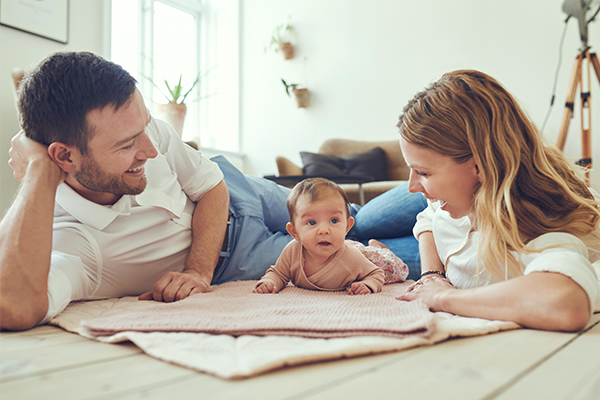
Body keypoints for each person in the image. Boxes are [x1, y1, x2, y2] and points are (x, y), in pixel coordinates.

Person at [0, 51, 427, 331]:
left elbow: (211, 186)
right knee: (369, 253)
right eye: (127, 145)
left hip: (237, 191)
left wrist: (196, 272)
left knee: (357, 217)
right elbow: (12, 305)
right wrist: (38, 168)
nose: (150, 149)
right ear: (64, 157)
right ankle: (475, 236)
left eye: (145, 127)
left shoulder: (146, 133)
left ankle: (476, 184)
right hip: (237, 255)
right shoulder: (70, 242)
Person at [394, 70, 600, 332]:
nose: (411, 186)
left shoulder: (534, 227)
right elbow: (427, 216)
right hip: (440, 241)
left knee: (348, 242)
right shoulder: (453, 194)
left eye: (423, 172)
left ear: (480, 166)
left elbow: (566, 302)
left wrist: (440, 296)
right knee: (357, 224)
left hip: (461, 241)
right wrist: (431, 275)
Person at [254, 178, 407, 295]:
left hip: (367, 257)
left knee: (395, 268)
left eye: (334, 221)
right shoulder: (292, 251)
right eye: (312, 222)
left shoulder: (351, 258)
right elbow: (279, 273)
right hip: (351, 248)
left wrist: (367, 285)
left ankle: (380, 249)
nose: (324, 230)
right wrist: (269, 282)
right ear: (294, 232)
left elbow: (376, 273)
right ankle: (375, 245)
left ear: (347, 226)